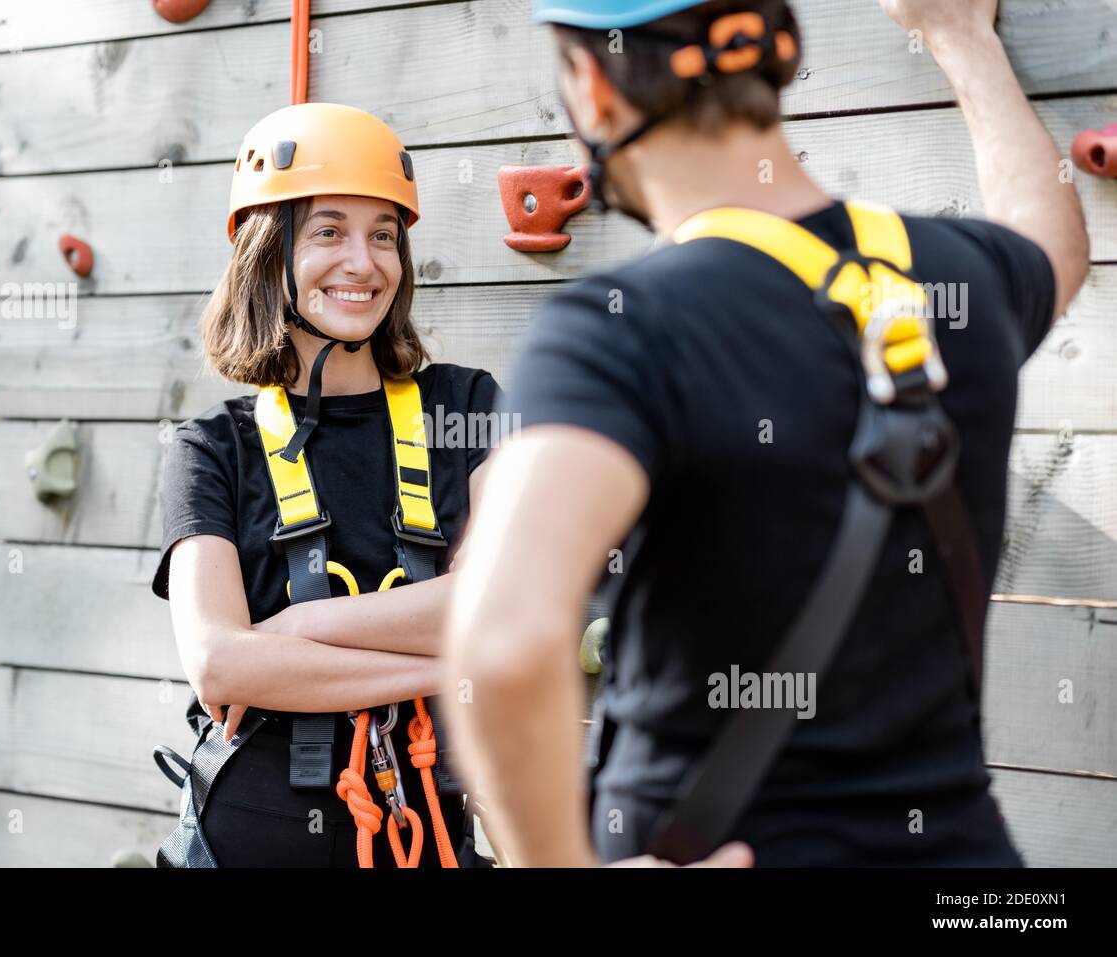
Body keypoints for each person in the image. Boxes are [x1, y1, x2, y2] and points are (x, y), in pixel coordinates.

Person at [442, 0, 1089, 866]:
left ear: (591, 89)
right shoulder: (958, 280)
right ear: (777, 53)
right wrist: (959, 36)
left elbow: (503, 642)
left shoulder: (619, 329)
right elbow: (1052, 240)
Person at [151, 102, 501, 867]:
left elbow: (507, 601)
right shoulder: (212, 448)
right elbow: (217, 663)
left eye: (384, 235)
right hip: (246, 838)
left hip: (431, 836)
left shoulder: (468, 409)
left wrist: (289, 635)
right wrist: (448, 661)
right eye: (329, 231)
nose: (365, 262)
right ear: (267, 253)